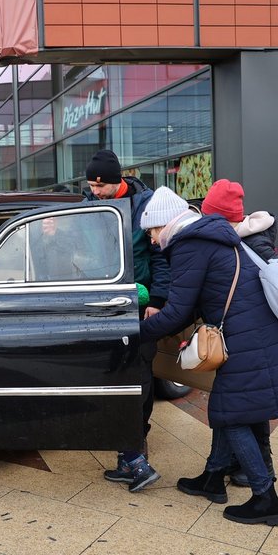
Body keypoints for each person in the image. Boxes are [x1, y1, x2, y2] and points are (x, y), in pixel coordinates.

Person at [138, 187, 278, 526]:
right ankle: (213, 478)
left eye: (153, 231)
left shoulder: (190, 244)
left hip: (249, 339)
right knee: (243, 408)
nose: (153, 240)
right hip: (258, 333)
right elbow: (195, 301)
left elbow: (176, 312)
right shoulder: (208, 237)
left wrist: (138, 333)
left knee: (230, 414)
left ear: (167, 223)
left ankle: (266, 499)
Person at [83, 149, 170, 492]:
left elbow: (160, 255)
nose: (94, 192)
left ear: (116, 181)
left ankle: (136, 446)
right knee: (113, 375)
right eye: (90, 185)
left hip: (138, 304)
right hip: (101, 304)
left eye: (99, 186)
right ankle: (127, 453)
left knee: (141, 375)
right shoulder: (88, 205)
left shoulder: (145, 207)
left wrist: (157, 299)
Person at [201, 179, 277, 486]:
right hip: (255, 332)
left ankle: (261, 474)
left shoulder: (245, 244)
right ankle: (227, 467)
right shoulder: (251, 238)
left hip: (252, 334)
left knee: (241, 405)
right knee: (251, 402)